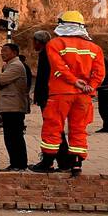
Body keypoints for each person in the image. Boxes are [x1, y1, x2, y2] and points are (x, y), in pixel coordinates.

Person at [32, 11, 105, 177]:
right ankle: (77, 164)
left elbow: (59, 67)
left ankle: (48, 162)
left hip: (60, 93)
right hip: (84, 96)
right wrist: (90, 86)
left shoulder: (55, 44)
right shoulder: (95, 48)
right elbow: (99, 73)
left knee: (53, 127)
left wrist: (74, 81)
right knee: (79, 129)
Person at [31, 29, 74, 170]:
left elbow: (44, 79)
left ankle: (53, 161)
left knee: (53, 131)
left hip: (50, 97)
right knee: (55, 130)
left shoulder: (48, 54)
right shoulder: (49, 53)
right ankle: (62, 161)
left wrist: (41, 97)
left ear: (38, 42)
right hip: (52, 96)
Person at [0, 42, 31, 170]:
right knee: (10, 137)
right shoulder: (9, 66)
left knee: (15, 137)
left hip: (14, 107)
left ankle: (19, 164)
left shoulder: (16, 65)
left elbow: (1, 80)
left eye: (6, 51)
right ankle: (15, 163)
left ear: (14, 53)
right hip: (10, 106)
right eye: (2, 51)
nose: (2, 53)